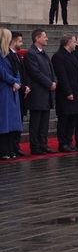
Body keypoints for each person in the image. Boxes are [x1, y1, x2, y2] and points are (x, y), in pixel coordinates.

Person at [25, 29, 58, 154]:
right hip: (38, 93)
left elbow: (51, 70)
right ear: (37, 38)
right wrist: (49, 83)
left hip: (47, 92)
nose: (47, 39)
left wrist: (54, 81)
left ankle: (43, 144)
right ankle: (35, 146)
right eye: (44, 37)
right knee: (36, 121)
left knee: (44, 121)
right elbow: (35, 72)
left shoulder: (43, 53)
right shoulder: (31, 54)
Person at [51, 33, 78, 152]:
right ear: (68, 43)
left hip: (76, 91)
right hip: (65, 94)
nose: (75, 44)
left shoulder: (72, 55)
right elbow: (62, 76)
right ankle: (63, 143)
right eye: (74, 42)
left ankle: (69, 141)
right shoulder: (58, 56)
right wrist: (68, 92)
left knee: (72, 119)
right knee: (64, 119)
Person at [1, 28, 23, 160]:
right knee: (5, 122)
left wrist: (17, 82)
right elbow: (2, 71)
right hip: (5, 90)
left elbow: (17, 71)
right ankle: (4, 150)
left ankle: (11, 149)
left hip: (13, 90)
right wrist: (13, 82)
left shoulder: (10, 54)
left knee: (13, 122)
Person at [7, 32, 29, 156]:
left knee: (19, 119)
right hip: (15, 92)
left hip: (21, 91)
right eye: (20, 41)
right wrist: (22, 87)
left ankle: (16, 145)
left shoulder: (17, 56)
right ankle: (12, 146)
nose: (21, 43)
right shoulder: (9, 55)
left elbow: (23, 72)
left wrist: (27, 86)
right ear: (13, 41)